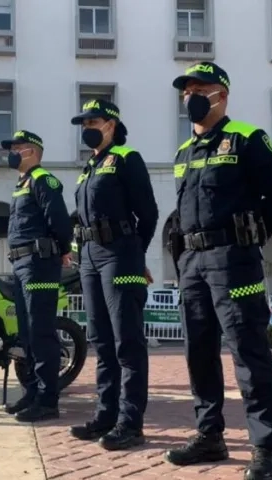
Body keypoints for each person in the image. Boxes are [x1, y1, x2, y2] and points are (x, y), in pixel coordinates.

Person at [164, 61, 272, 480]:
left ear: (222, 94)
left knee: (248, 353)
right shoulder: (183, 153)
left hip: (233, 260)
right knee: (198, 353)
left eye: (201, 89)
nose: (191, 96)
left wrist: (248, 237)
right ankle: (209, 434)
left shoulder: (247, 140)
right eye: (186, 91)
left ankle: (265, 447)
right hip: (193, 263)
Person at [67, 99, 159, 450]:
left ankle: (130, 423)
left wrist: (136, 254)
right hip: (89, 258)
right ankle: (105, 415)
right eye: (83, 122)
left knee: (127, 343)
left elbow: (148, 213)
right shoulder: (90, 166)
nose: (86, 127)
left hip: (120, 255)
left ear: (111, 124)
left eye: (93, 121)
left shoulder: (126, 158)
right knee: (101, 342)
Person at [0, 130, 73, 422]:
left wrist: (63, 249)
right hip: (21, 264)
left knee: (41, 331)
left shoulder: (44, 180)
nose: (11, 152)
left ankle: (48, 400)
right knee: (27, 333)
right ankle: (32, 392)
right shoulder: (22, 184)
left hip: (39, 262)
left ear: (31, 151)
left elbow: (59, 221)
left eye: (16, 147)